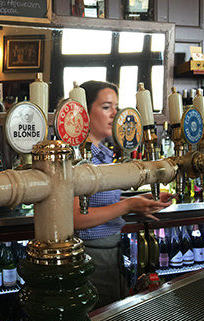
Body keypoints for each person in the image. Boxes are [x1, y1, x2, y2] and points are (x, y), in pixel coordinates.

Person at [74, 80, 173, 309]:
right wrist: (128, 206)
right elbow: (76, 217)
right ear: (85, 111)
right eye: (106, 107)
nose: (114, 115)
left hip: (113, 250)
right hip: (90, 255)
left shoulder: (105, 154)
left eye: (116, 108)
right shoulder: (77, 156)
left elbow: (98, 202)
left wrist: (141, 202)